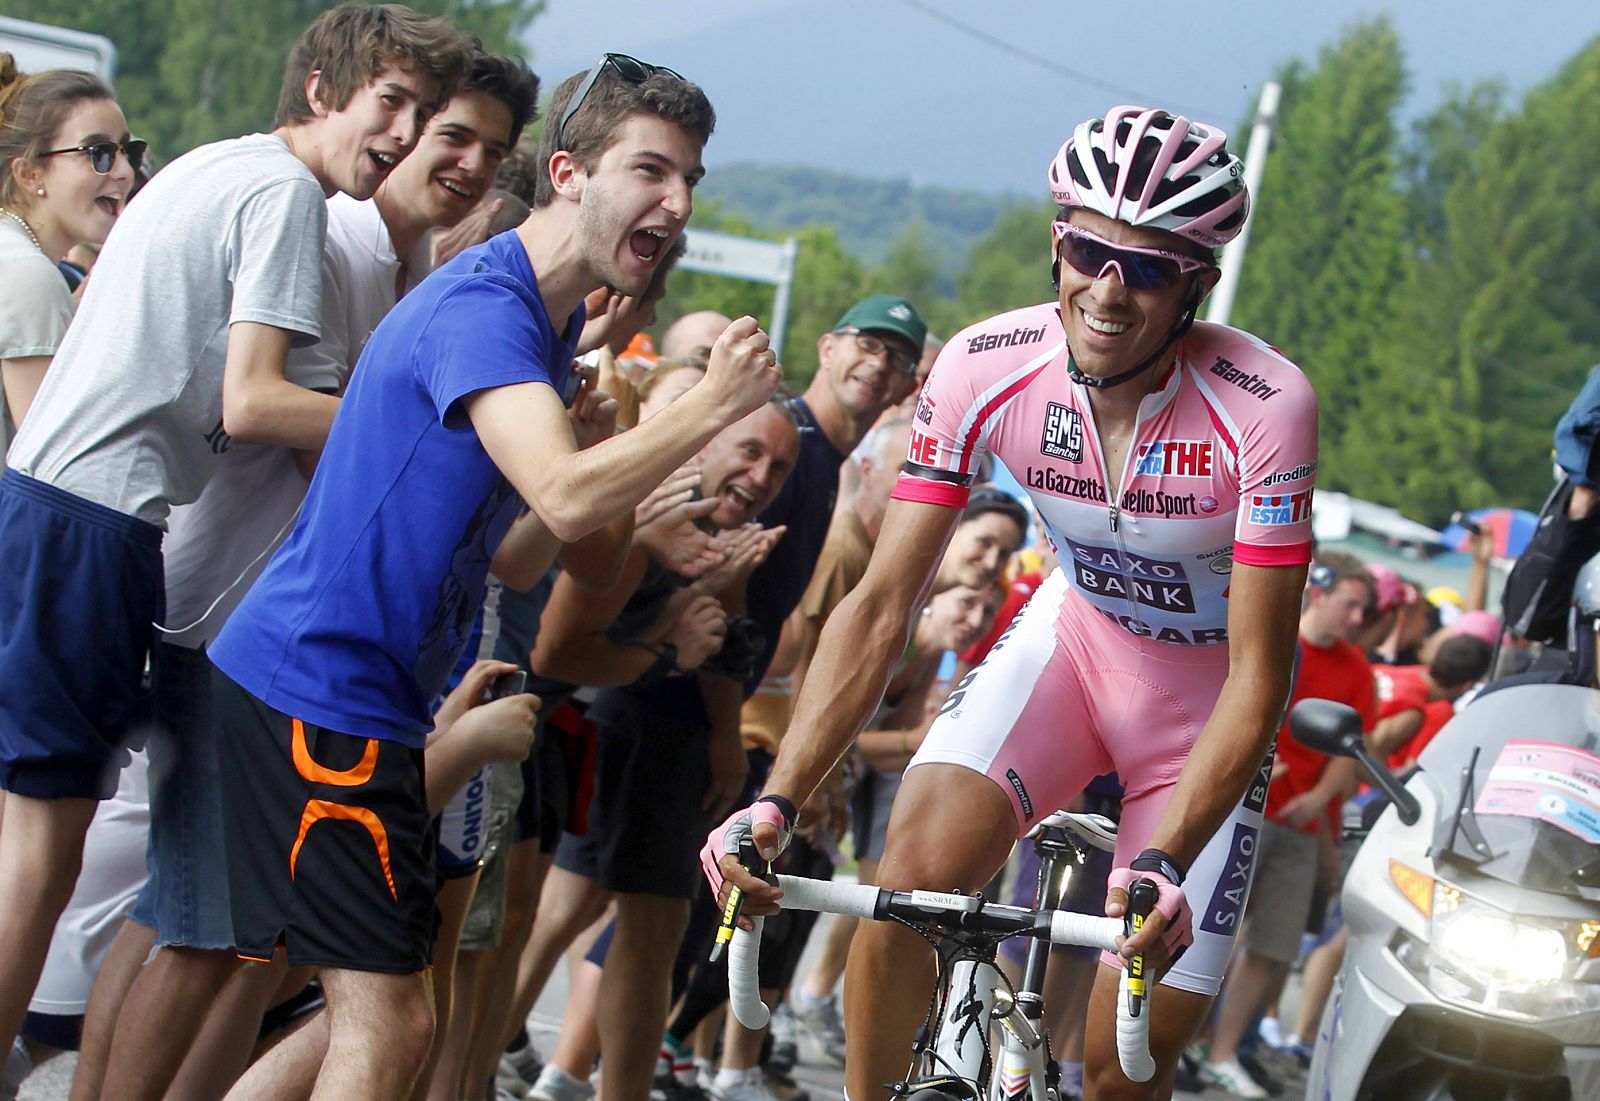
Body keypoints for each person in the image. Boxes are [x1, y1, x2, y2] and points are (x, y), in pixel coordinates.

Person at [708, 105, 1319, 1101]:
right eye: (1090, 251)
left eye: (1150, 268)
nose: (1109, 291)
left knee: (1125, 1061)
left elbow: (1259, 671)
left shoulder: (1262, 404)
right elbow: (878, 604)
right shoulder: (986, 366)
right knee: (916, 872)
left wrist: (1164, 857)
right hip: (1074, 648)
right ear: (1057, 243)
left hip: (1207, 709)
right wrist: (777, 794)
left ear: (1196, 285)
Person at [204, 50, 779, 1099]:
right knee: (384, 1020)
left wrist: (608, 484)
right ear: (567, 173)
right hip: (315, 686)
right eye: (650, 170)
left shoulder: (554, 324)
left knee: (358, 1012)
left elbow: (524, 550)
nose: (677, 201)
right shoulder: (489, 309)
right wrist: (701, 408)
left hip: (367, 695)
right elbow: (561, 498)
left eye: (690, 179)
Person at [0, 4, 474, 1077]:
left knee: (93, 868)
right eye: (388, 103)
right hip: (95, 518)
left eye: (421, 111)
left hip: (71, 513)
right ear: (319, 91)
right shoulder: (281, 195)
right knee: (42, 853)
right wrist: (418, 416)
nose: (402, 134)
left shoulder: (222, 167)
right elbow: (256, 402)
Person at [1200, 553, 1374, 1098]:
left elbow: (1353, 750)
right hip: (1242, 809)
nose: (1358, 618)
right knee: (1206, 931)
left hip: (1301, 827)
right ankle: (1179, 1043)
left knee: (1273, 946)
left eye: (1365, 609)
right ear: (1318, 594)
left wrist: (1320, 799)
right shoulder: (1274, 639)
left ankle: (1223, 1053)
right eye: (1351, 604)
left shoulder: (1358, 669)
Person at [0, 58, 137, 447]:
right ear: (30, 174)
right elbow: (48, 459)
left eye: (128, 151)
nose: (125, 171)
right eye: (99, 152)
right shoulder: (28, 273)